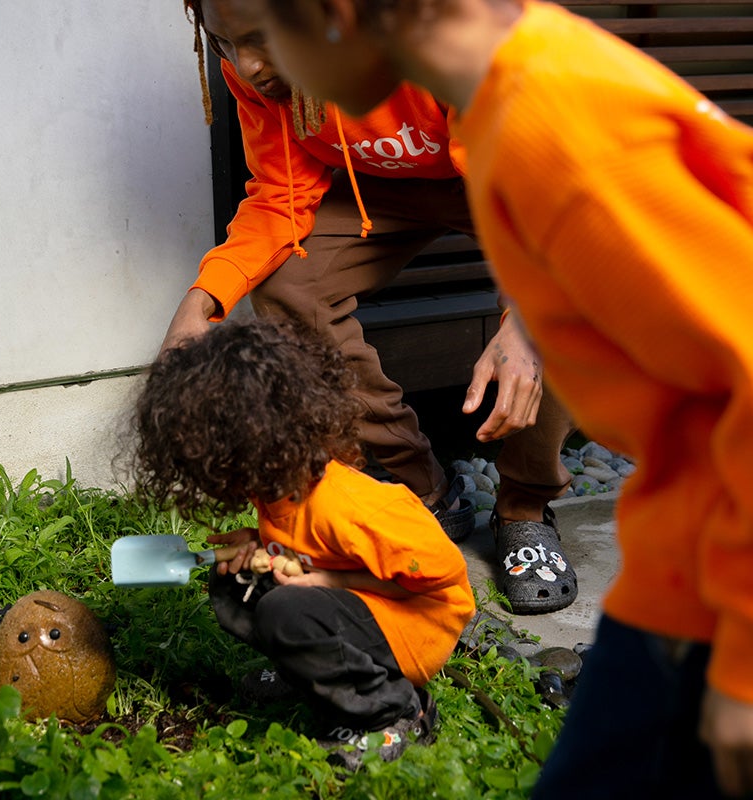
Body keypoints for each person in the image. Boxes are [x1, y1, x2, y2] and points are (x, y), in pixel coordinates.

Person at [246, 0, 753, 797]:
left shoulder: (554, 125)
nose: (253, 67)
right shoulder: (500, 105)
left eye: (264, 31)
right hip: (677, 540)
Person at [163, 0, 580, 614]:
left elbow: (538, 188)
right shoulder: (264, 74)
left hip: (518, 175)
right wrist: (203, 299)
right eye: (225, 42)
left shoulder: (446, 31)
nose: (247, 65)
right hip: (381, 186)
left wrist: (523, 323)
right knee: (289, 286)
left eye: (260, 38)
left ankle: (523, 504)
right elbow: (281, 193)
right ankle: (423, 490)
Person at [133, 316, 476, 768]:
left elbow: (443, 577)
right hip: (359, 605)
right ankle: (310, 673)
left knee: (286, 610)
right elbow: (305, 545)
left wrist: (324, 580)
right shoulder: (275, 488)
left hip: (415, 623)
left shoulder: (351, 507)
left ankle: (393, 712)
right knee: (234, 584)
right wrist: (259, 542)